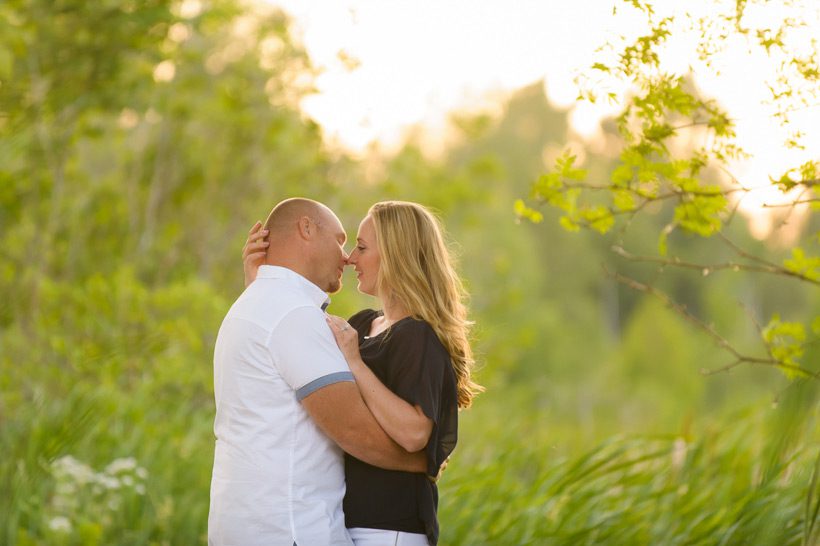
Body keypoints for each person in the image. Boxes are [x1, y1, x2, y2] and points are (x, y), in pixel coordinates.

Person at [243, 200, 482, 545]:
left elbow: (415, 434)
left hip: (391, 529)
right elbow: (292, 345)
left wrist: (355, 364)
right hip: (345, 523)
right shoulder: (363, 324)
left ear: (396, 255)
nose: (350, 257)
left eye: (362, 247)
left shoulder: (418, 336)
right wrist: (261, 285)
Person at [209, 198, 426, 546]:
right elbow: (355, 431)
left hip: (243, 523)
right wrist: (422, 463)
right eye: (340, 240)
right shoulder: (292, 313)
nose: (346, 256)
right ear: (306, 228)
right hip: (291, 529)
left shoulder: (252, 305)